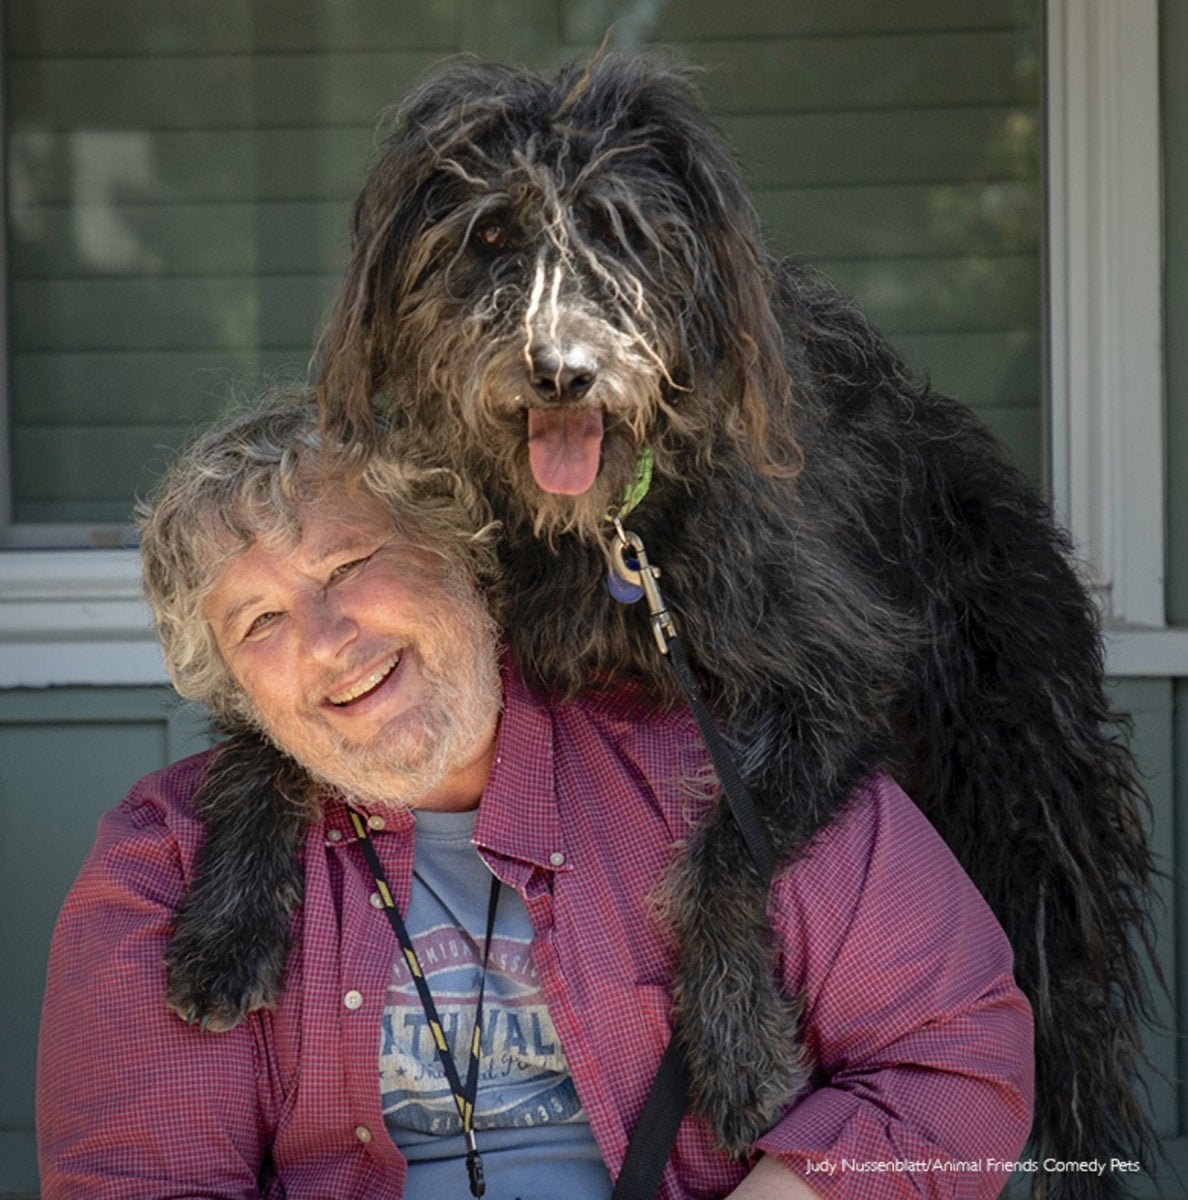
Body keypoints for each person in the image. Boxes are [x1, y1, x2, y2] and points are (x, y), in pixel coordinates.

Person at [36, 392, 1033, 1199]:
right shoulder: (165, 863)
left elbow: (953, 1054)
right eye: (259, 621)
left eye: (347, 565)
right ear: (236, 690)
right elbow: (139, 1181)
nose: (328, 638)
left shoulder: (718, 766)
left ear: (461, 555)